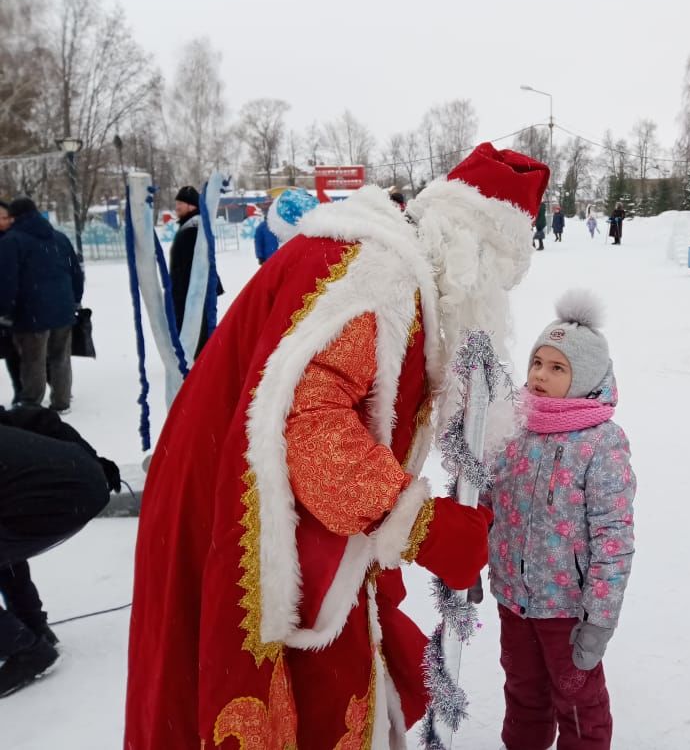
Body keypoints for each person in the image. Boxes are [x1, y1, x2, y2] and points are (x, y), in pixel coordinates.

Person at [124, 142, 550, 748]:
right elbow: (314, 428)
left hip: (230, 483)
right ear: (470, 254)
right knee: (302, 692)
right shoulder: (380, 277)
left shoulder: (382, 263)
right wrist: (420, 523)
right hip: (238, 511)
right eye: (497, 280)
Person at [483, 289, 636, 750]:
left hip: (568, 608)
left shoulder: (601, 442)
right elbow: (484, 501)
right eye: (537, 363)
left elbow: (614, 538)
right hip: (513, 597)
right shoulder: (511, 427)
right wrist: (466, 558)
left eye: (557, 368)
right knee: (523, 695)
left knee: (577, 703)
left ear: (584, 376)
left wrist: (599, 618)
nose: (541, 376)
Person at [0, 404, 119, 697]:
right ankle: (32, 628)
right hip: (78, 478)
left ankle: (26, 648)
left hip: (59, 489)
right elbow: (35, 416)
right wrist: (90, 461)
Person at [0, 197, 83, 413]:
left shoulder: (11, 241)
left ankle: (31, 403)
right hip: (63, 309)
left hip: (31, 312)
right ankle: (62, 401)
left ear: (16, 217)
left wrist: (5, 309)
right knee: (60, 358)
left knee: (32, 360)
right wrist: (75, 299)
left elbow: (8, 280)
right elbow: (76, 271)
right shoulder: (59, 238)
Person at [169, 185, 222, 359]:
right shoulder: (190, 227)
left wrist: (180, 293)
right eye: (177, 202)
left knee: (198, 331)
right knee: (197, 330)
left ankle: (199, 364)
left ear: (192, 206)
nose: (177, 206)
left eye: (181, 203)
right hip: (188, 292)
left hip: (191, 294)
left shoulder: (193, 229)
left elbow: (195, 265)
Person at [0, 201, 20, 402]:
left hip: (13, 304)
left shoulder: (15, 239)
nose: (6, 221)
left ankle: (20, 390)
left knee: (13, 350)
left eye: (7, 217)